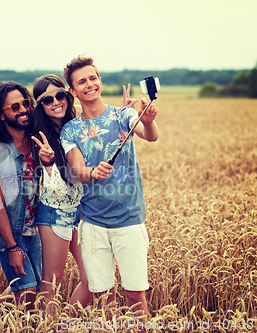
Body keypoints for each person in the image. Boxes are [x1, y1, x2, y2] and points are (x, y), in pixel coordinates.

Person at [60, 55, 159, 318]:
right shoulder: (70, 130)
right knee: (104, 297)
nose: (89, 84)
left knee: (135, 295)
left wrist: (147, 121)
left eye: (93, 78)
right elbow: (78, 170)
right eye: (82, 81)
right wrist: (92, 172)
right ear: (73, 90)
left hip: (129, 218)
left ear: (100, 81)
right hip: (92, 224)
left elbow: (150, 136)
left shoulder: (124, 115)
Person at [30, 74, 93, 312]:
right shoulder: (38, 134)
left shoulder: (77, 125)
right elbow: (54, 190)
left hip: (80, 213)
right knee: (51, 284)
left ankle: (65, 323)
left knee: (93, 280)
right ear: (40, 105)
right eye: (48, 99)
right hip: (54, 213)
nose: (56, 102)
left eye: (60, 95)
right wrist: (47, 164)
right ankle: (49, 327)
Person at [0, 81, 42, 307]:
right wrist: (12, 246)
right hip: (11, 232)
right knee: (27, 293)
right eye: (14, 107)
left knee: (38, 288)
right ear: (1, 116)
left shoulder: (37, 142)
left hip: (34, 229)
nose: (23, 109)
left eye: (25, 103)